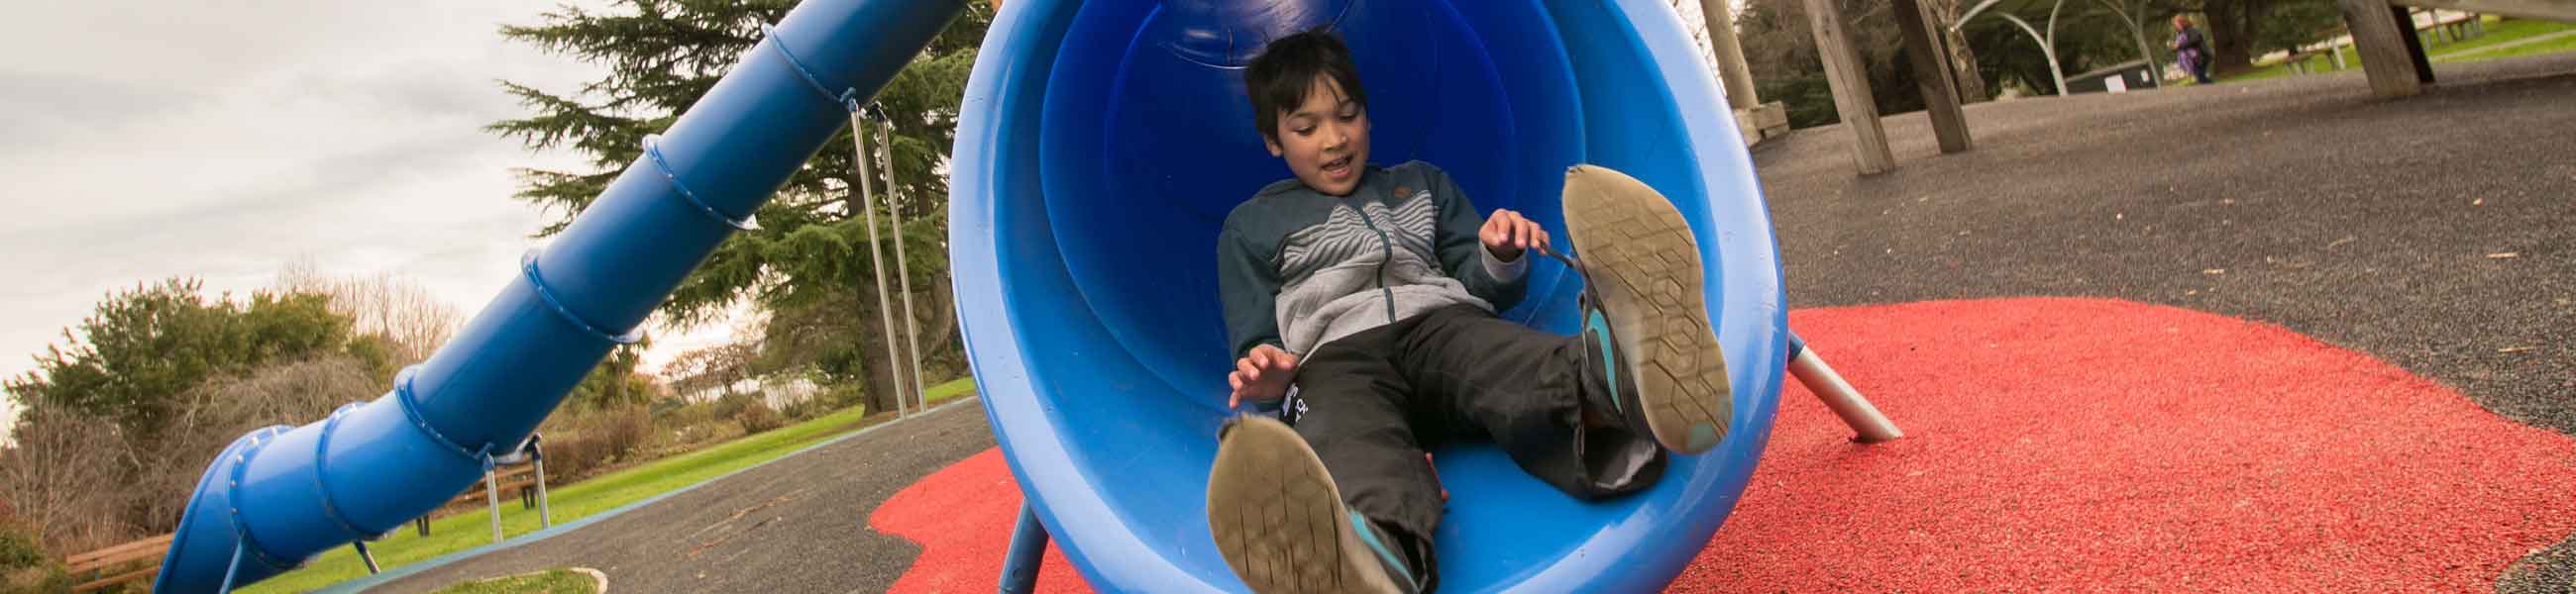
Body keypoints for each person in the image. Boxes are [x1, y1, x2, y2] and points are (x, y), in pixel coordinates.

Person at [1201, 30, 1733, 593]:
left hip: (1441, 325)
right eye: (1306, 128)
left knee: (1505, 360)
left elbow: (1486, 287)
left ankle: (1615, 379)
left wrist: (1498, 254)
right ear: (1273, 142)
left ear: (1368, 116)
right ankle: (1373, 555)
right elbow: (1254, 344)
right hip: (1334, 359)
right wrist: (1272, 375)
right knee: (1346, 438)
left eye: (1348, 115)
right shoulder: (1251, 227)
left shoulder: (1421, 184)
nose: (1333, 139)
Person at [2172, 14, 2215, 84]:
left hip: (2201, 56)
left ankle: (2214, 87)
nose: (2175, 26)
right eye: (2175, 25)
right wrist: (2175, 47)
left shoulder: (2191, 30)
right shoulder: (2181, 34)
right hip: (2193, 59)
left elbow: (2195, 40)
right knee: (2200, 77)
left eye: (2176, 24)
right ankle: (2212, 87)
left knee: (2201, 76)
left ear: (2182, 23)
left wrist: (2179, 46)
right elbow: (2180, 46)